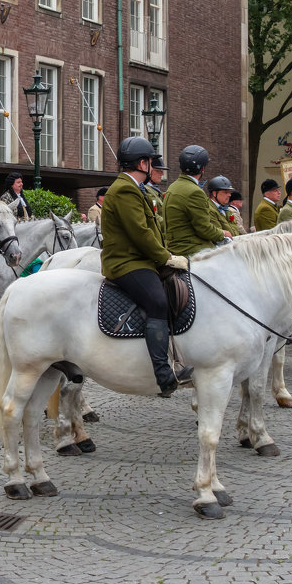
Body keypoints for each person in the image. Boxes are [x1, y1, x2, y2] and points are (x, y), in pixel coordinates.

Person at [100, 136, 193, 398]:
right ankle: (164, 374)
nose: (153, 166)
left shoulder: (135, 188)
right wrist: (165, 257)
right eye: (150, 161)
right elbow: (140, 232)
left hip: (141, 258)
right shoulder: (125, 189)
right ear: (142, 162)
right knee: (158, 301)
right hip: (126, 262)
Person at [164, 145, 232, 256]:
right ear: (202, 168)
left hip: (174, 246)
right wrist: (223, 233)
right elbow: (204, 228)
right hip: (192, 248)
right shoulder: (195, 192)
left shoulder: (173, 186)